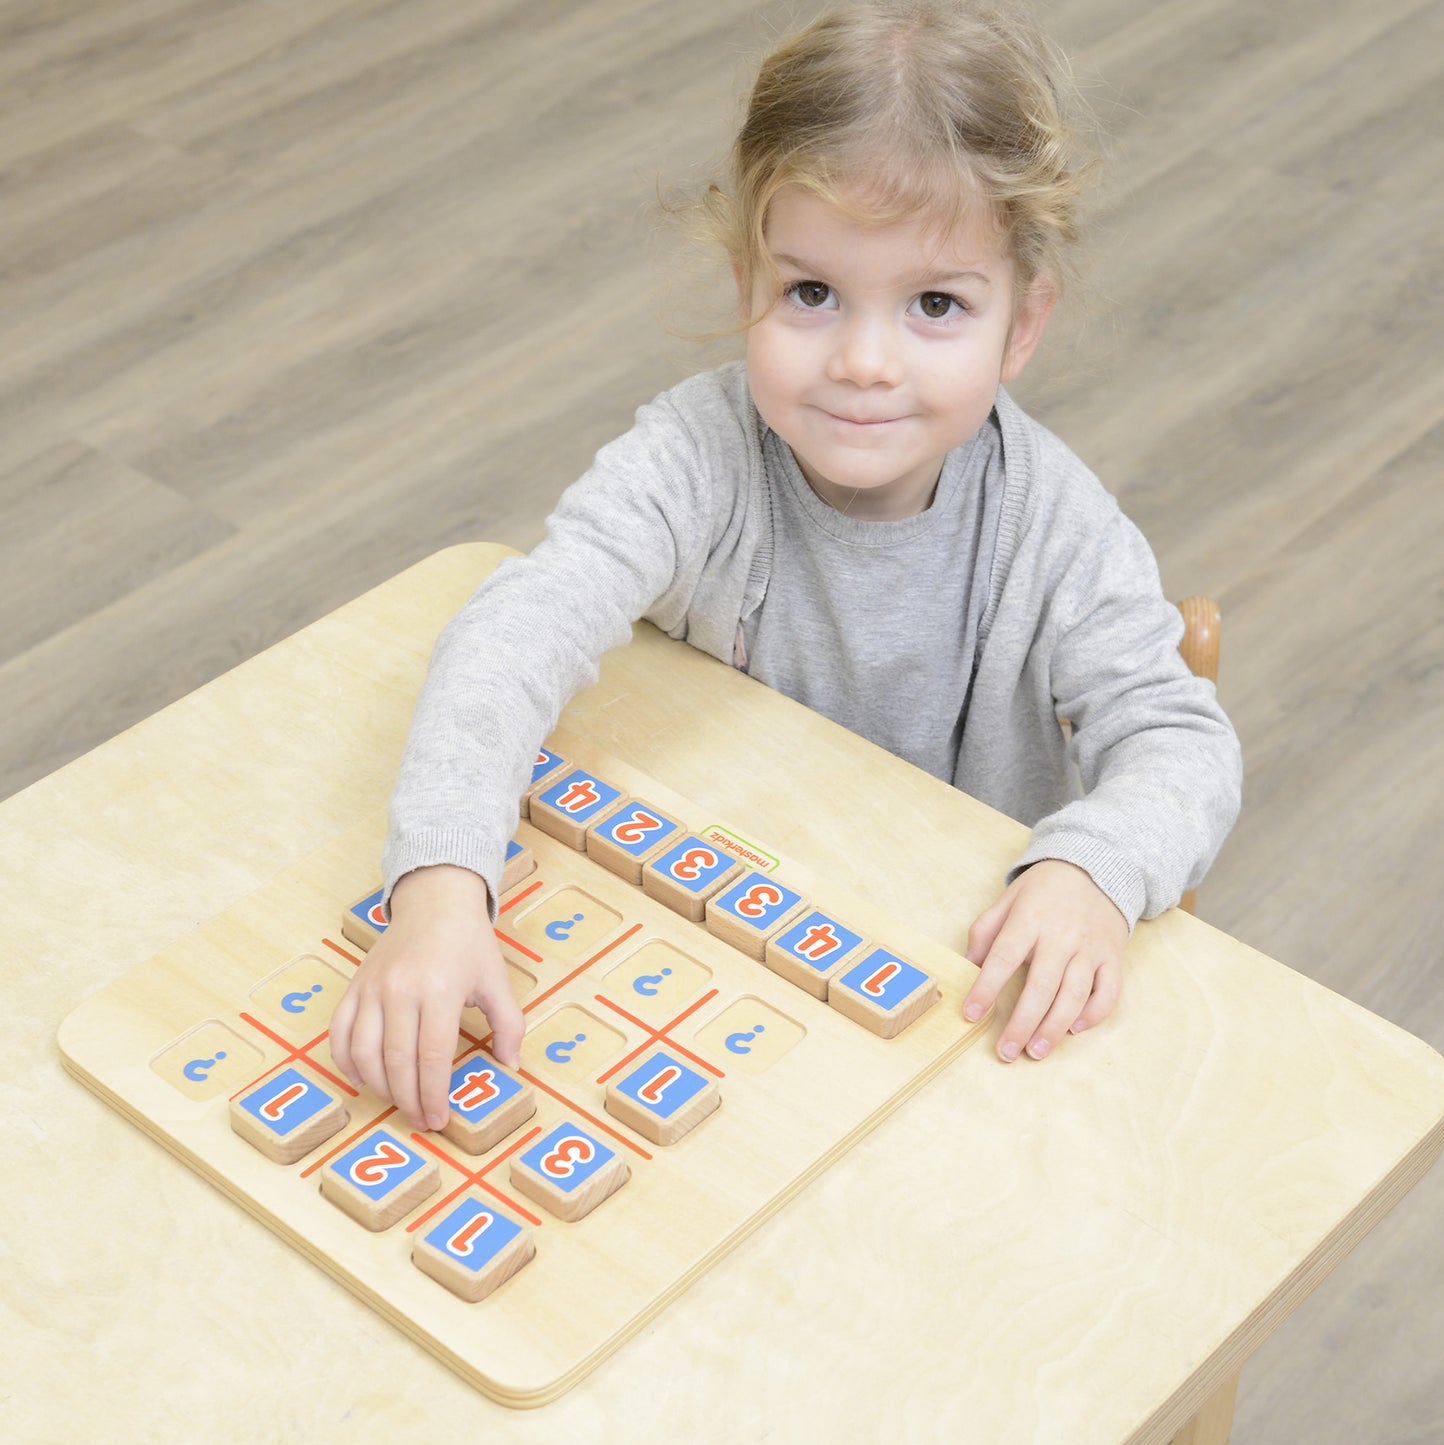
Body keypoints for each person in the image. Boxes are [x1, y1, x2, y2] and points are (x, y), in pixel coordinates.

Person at [329, 0, 1242, 1132]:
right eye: (811, 293)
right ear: (743, 282)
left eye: (935, 305)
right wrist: (436, 881)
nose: (863, 361)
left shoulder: (1055, 523)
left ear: (1021, 324)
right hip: (719, 944)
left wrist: (1091, 869)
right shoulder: (692, 455)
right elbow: (520, 625)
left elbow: (1179, 741)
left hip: (943, 988)